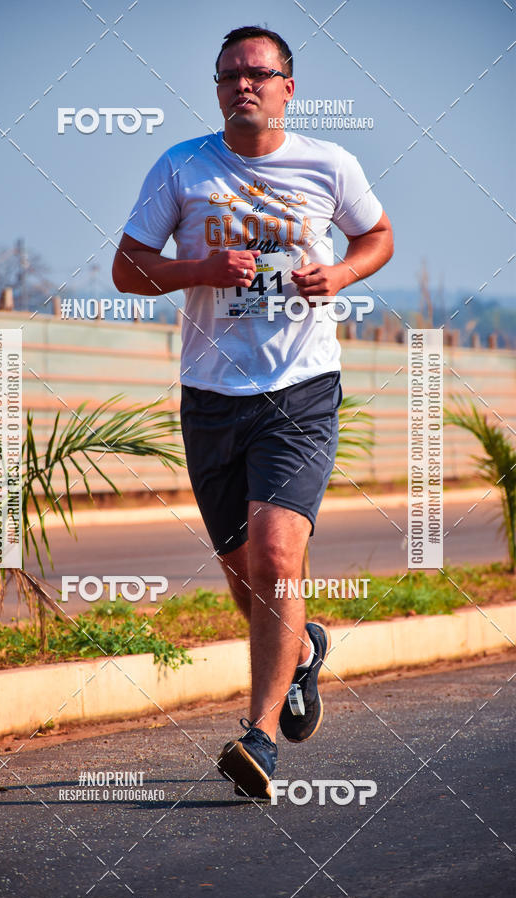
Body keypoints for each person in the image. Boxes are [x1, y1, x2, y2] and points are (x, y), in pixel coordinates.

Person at [113, 25, 393, 800]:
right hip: (211, 397)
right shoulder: (182, 166)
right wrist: (198, 268)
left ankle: (260, 739)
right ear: (217, 87)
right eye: (229, 74)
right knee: (245, 579)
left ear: (287, 87)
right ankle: (301, 650)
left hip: (299, 392)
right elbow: (127, 268)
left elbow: (378, 234)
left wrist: (339, 272)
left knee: (275, 560)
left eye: (258, 74)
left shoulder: (329, 163)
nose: (243, 85)